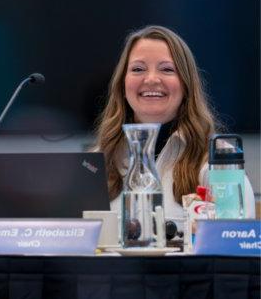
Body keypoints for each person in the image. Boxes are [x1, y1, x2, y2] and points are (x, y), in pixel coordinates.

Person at [93, 25, 255, 221]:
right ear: (122, 86)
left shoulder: (217, 167)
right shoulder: (95, 162)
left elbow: (235, 241)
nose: (151, 79)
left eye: (167, 69)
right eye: (138, 69)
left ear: (186, 86)